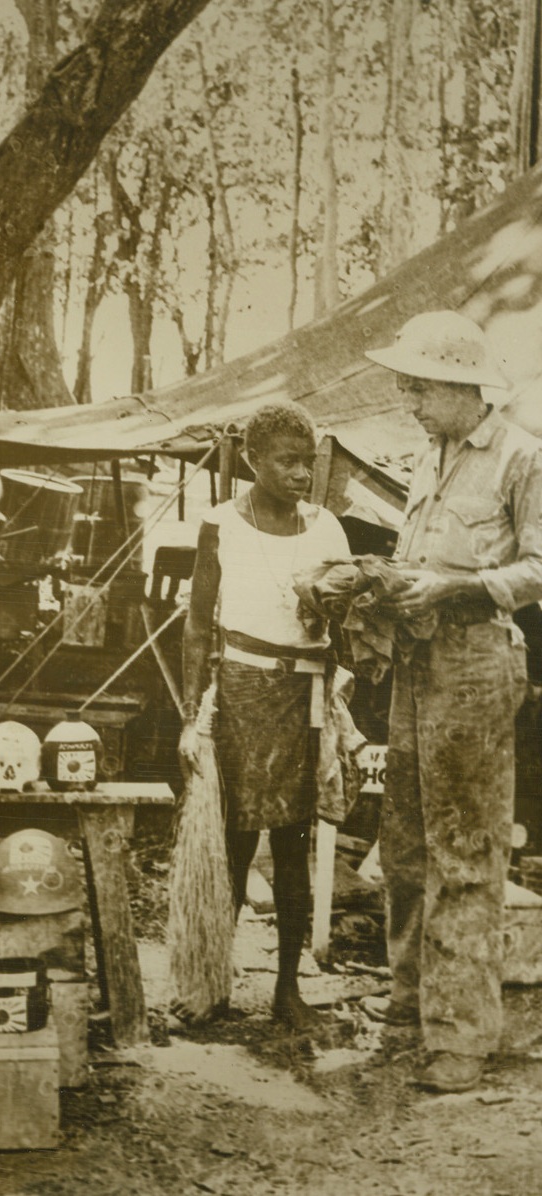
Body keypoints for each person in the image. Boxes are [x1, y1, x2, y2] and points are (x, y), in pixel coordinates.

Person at [362, 310, 542, 1093]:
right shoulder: (429, 455)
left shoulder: (522, 458)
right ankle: (409, 1005)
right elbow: (418, 554)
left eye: (420, 384)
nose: (407, 396)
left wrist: (459, 588)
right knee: (404, 843)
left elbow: (539, 567)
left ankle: (463, 1035)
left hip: (474, 665)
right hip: (415, 662)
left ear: (465, 386)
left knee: (466, 850)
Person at [179, 401, 351, 1030]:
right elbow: (198, 627)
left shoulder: (328, 527)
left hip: (304, 693)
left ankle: (287, 991)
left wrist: (336, 612)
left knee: (292, 844)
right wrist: (190, 712)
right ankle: (211, 983)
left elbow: (342, 623)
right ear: (253, 460)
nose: (303, 474)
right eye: (288, 461)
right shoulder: (221, 524)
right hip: (241, 693)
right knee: (232, 842)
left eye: (308, 462)